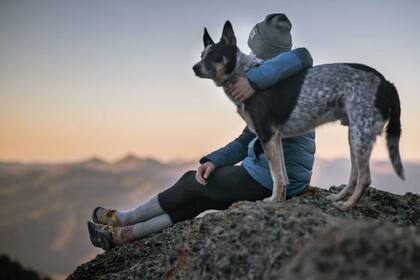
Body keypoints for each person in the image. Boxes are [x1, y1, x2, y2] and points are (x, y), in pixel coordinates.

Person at [87, 13, 316, 251]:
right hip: (264, 173)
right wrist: (214, 160)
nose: (249, 57)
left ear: (269, 56)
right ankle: (121, 236)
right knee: (200, 197)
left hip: (275, 180)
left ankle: (124, 219)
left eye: (255, 52)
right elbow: (246, 138)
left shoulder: (289, 83)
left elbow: (303, 56)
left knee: (192, 183)